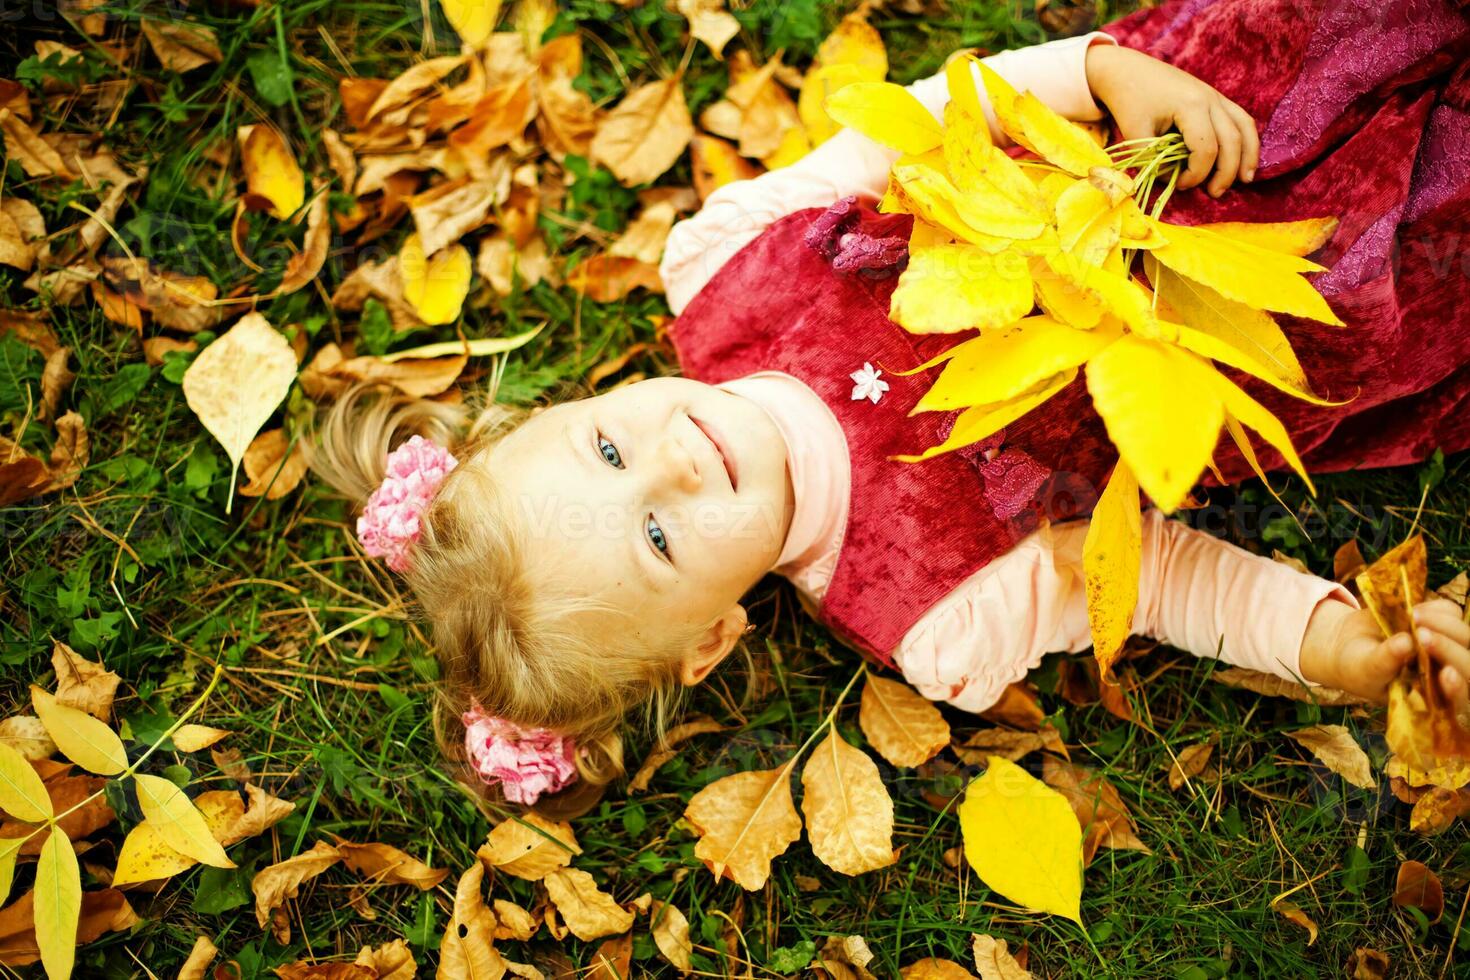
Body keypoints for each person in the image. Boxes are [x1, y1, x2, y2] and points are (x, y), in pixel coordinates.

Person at [309, 0, 1470, 810]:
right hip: (1302, 299)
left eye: (608, 445)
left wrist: (1100, 71)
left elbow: (920, 123)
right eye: (658, 538)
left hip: (1174, 120)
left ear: (584, 400)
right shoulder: (937, 611)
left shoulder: (722, 269)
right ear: (712, 638)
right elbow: (1157, 580)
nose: (671, 465)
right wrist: (1338, 648)